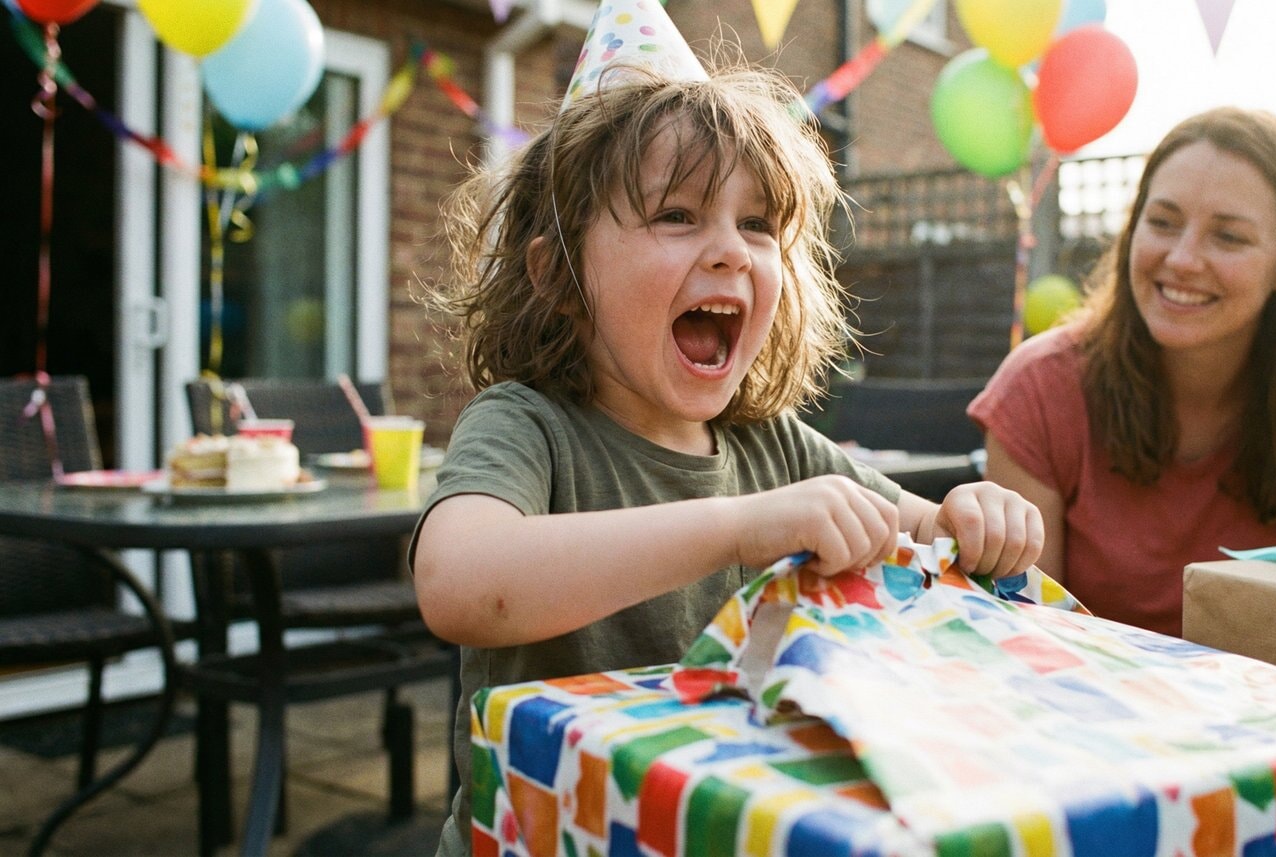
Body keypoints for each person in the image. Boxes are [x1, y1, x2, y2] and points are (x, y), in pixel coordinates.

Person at [411, 7, 1043, 853]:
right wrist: (740, 526)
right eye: (678, 215)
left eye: (757, 225)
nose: (731, 252)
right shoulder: (528, 427)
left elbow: (927, 535)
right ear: (558, 275)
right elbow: (460, 583)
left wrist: (976, 517)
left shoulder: (773, 446)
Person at [968, 106, 1276, 639]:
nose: (1181, 259)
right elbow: (1027, 638)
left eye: (1228, 237)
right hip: (1088, 709)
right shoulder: (1041, 389)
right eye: (1161, 222)